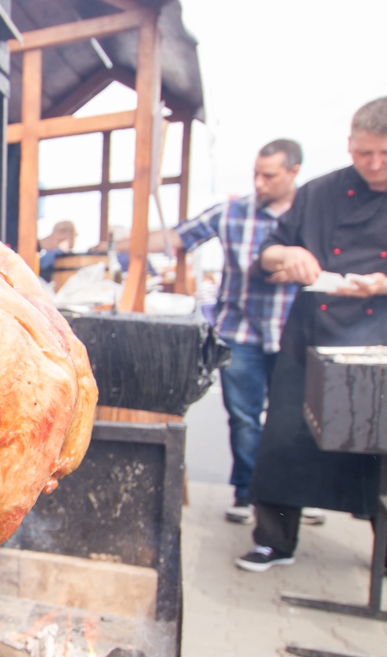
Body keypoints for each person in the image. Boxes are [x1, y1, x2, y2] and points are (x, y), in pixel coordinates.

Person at [235, 97, 387, 571]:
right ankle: (274, 541)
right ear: (349, 144)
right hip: (310, 335)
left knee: (379, 448)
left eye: (384, 154)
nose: (375, 164)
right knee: (284, 441)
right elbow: (265, 253)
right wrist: (288, 255)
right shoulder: (319, 193)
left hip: (376, 339)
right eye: (365, 153)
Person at [121, 140, 304, 524]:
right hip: (241, 333)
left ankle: (292, 497)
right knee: (244, 418)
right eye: (256, 172)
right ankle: (246, 493)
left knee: (291, 422)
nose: (259, 182)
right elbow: (178, 236)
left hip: (293, 334)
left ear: (293, 172)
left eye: (268, 175)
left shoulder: (310, 213)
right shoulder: (233, 213)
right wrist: (123, 243)